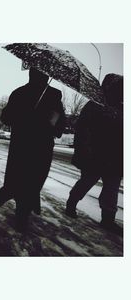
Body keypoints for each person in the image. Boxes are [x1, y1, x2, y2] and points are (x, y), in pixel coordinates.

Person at [0, 68, 66, 232]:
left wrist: (23, 118)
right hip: (42, 146)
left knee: (19, 175)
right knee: (34, 178)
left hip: (21, 144)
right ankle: (23, 213)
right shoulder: (54, 96)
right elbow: (60, 125)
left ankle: (20, 206)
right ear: (47, 76)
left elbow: (6, 118)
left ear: (30, 74)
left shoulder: (19, 93)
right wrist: (50, 125)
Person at [65, 73, 123, 235]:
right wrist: (84, 149)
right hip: (96, 154)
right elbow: (82, 129)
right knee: (87, 181)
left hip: (116, 157)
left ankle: (108, 219)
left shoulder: (123, 107)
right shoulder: (95, 105)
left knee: (111, 188)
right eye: (118, 87)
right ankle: (72, 202)